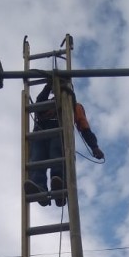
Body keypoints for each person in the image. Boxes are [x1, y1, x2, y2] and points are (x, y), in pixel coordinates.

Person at [24, 78, 104, 207]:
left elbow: (84, 127)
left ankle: (59, 186)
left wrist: (94, 146)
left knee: (57, 153)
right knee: (37, 158)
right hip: (40, 132)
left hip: (59, 130)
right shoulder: (47, 102)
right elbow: (39, 103)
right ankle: (40, 189)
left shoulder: (73, 105)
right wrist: (48, 86)